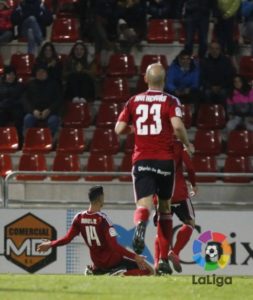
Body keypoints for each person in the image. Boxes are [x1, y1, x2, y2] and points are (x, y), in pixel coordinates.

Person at [115, 63, 194, 274]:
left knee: (144, 204)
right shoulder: (171, 100)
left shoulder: (134, 100)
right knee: (165, 208)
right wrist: (187, 143)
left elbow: (118, 129)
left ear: (145, 79)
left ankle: (141, 224)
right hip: (165, 161)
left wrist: (136, 128)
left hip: (141, 159)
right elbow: (177, 126)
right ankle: (163, 261)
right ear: (164, 80)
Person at [37, 185, 153, 276]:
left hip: (98, 263)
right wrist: (135, 257)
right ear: (101, 198)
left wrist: (50, 244)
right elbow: (114, 246)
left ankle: (95, 271)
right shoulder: (103, 219)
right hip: (113, 262)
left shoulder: (79, 218)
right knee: (150, 271)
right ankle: (120, 273)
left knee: (104, 265)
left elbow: (67, 239)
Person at [153, 140, 197, 274]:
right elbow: (189, 167)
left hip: (161, 193)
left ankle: (158, 262)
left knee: (162, 229)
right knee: (190, 222)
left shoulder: (154, 145)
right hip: (179, 193)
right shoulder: (179, 146)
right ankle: (175, 252)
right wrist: (193, 184)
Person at [22, 63, 62, 138]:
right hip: (34, 112)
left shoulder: (54, 84)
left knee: (53, 121)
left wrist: (49, 110)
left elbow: (58, 100)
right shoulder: (30, 84)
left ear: (46, 73)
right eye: (38, 72)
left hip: (50, 112)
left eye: (43, 72)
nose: (41, 74)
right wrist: (33, 111)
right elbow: (25, 100)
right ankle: (31, 140)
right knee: (27, 119)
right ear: (36, 73)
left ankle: (48, 140)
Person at [200, 42, 236, 108]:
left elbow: (230, 77)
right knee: (207, 93)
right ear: (209, 50)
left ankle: (223, 114)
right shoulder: (204, 62)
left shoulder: (226, 61)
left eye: (217, 48)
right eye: (212, 48)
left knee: (223, 93)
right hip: (209, 87)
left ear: (220, 50)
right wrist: (211, 86)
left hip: (223, 87)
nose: (214, 50)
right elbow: (202, 77)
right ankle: (209, 113)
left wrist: (221, 86)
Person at [0, 65, 25, 145]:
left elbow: (23, 99)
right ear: (5, 75)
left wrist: (12, 102)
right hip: (3, 108)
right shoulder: (1, 86)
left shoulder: (20, 86)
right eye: (9, 74)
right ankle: (3, 141)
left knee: (18, 117)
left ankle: (19, 142)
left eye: (13, 74)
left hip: (16, 108)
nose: (11, 76)